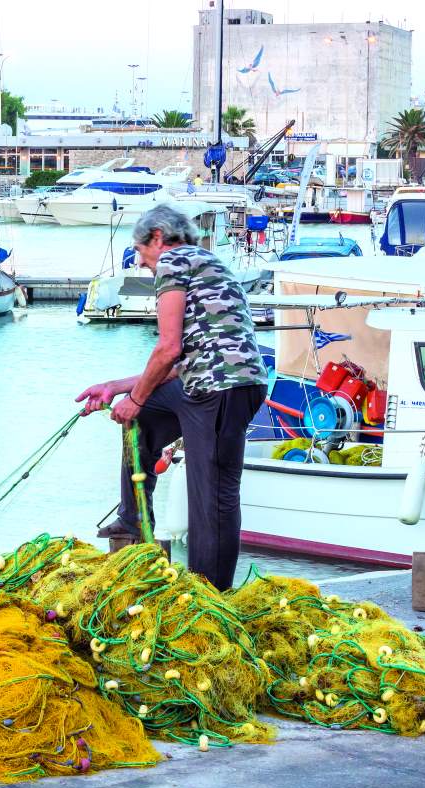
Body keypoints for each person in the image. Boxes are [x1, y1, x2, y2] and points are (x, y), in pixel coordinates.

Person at [76, 204, 267, 591]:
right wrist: (119, 388)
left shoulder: (173, 261)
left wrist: (137, 397)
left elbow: (168, 348)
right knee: (144, 417)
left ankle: (209, 595)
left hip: (220, 390)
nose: (142, 263)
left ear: (157, 238)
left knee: (211, 496)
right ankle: (133, 515)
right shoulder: (207, 262)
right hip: (212, 382)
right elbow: (182, 362)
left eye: (140, 251)